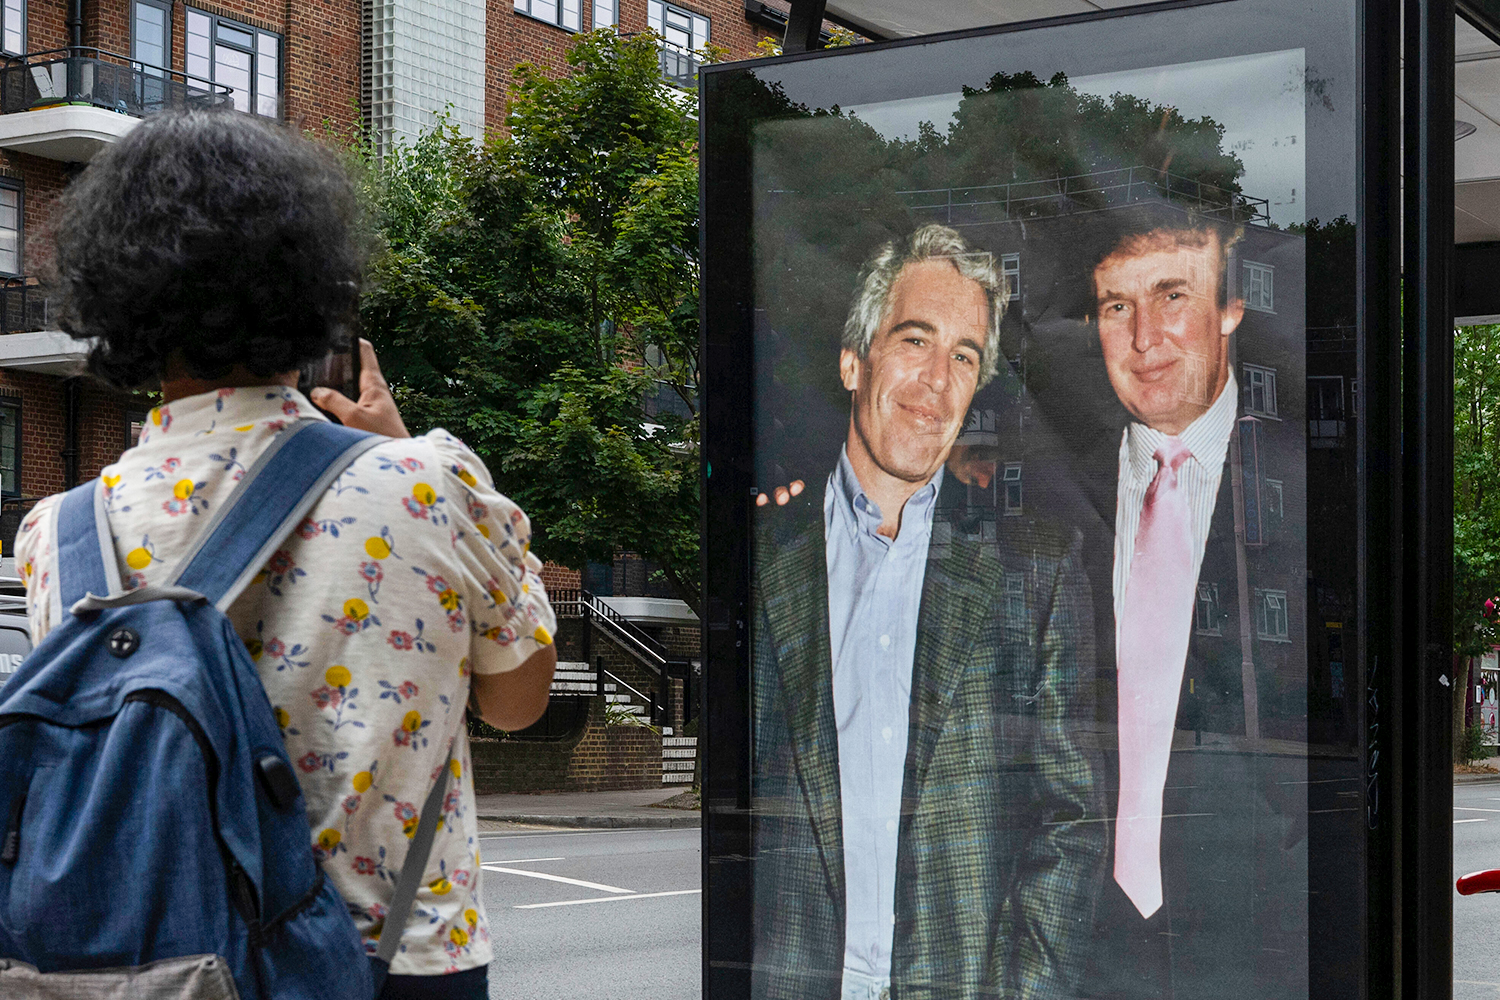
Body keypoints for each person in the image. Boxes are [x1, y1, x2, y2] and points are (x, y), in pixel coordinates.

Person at [14, 110, 557, 1000]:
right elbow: (517, 702)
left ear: (112, 297)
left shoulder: (59, 534)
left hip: (157, 974)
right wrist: (404, 447)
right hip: (394, 963)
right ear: (311, 287)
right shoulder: (426, 485)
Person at [750, 223, 1104, 1000]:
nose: (938, 381)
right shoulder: (763, 562)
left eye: (965, 356)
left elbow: (1071, 826)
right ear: (855, 359)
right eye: (916, 340)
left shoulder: (1036, 573)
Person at [1070, 207, 1304, 999]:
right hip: (1081, 935)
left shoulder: (1308, 484)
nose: (1144, 340)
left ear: (1232, 308)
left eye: (1173, 295)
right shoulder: (1051, 494)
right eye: (1116, 307)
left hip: (1262, 932)